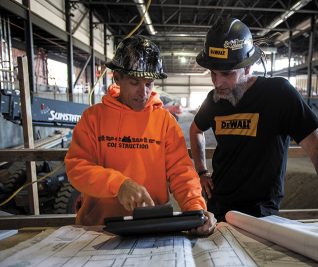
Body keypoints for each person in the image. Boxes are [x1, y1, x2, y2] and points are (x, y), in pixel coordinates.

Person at [189, 18, 318, 240]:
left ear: (247, 67)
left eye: (226, 74)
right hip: (217, 209)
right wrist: (201, 171)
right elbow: (196, 129)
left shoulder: (279, 95)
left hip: (262, 216)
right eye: (213, 73)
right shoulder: (215, 100)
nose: (218, 82)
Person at [65, 35, 216, 235]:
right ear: (117, 77)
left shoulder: (164, 122)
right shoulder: (94, 118)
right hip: (98, 230)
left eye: (149, 83)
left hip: (151, 226)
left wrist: (195, 208)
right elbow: (77, 168)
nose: (143, 92)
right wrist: (119, 185)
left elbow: (182, 173)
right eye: (134, 82)